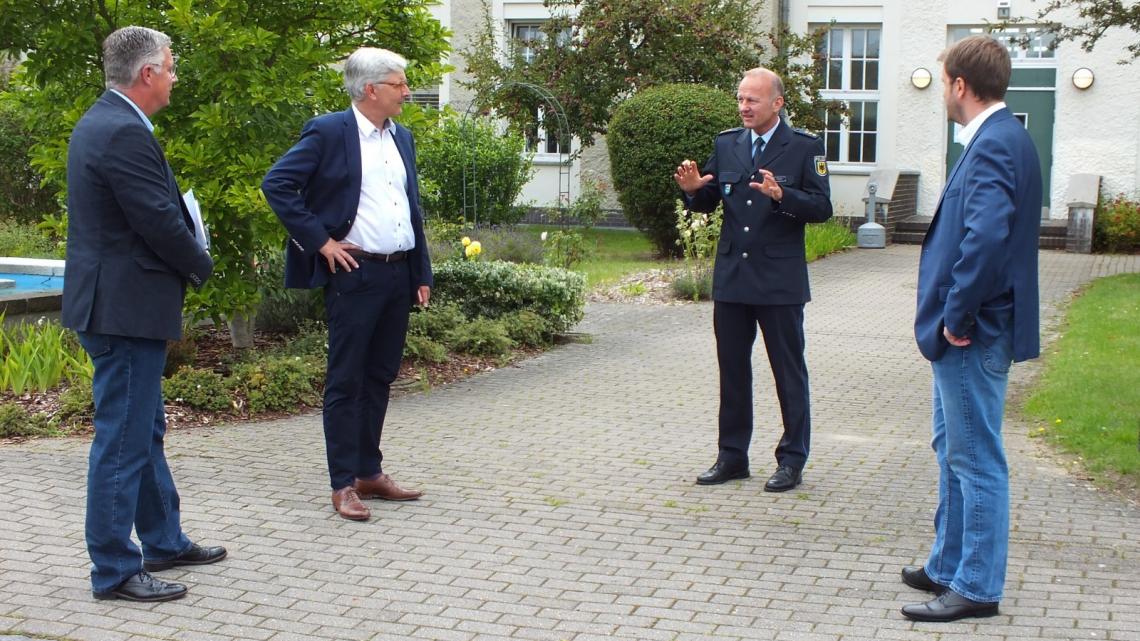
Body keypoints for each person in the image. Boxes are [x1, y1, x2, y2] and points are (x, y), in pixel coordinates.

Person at [63, 26, 226, 602]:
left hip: (119, 305)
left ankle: (163, 538)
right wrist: (201, 263)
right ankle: (113, 568)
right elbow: (156, 219)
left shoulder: (110, 122)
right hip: (124, 310)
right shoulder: (120, 131)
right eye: (172, 66)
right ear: (147, 74)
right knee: (123, 440)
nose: (176, 76)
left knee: (143, 431)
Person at [901, 35, 1042, 622]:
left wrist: (957, 315)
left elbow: (984, 239)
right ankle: (947, 563)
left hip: (973, 330)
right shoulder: (1003, 138)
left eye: (943, 83)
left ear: (960, 85)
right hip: (972, 327)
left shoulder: (992, 144)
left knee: (976, 458)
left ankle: (977, 588)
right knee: (951, 449)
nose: (941, 92)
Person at [262, 47, 432, 522]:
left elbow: (410, 209)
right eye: (399, 84)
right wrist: (321, 241)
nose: (407, 92)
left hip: (398, 273)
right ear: (370, 89)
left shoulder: (403, 137)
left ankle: (368, 472)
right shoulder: (328, 132)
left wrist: (421, 272)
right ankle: (342, 485)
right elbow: (278, 184)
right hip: (355, 274)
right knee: (346, 380)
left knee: (380, 375)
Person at [673, 67, 833, 492]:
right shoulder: (727, 144)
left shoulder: (802, 148)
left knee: (788, 372)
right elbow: (708, 197)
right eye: (741, 98)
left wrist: (784, 196)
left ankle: (792, 459)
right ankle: (732, 456)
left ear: (777, 103)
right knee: (732, 370)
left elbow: (822, 208)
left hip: (779, 280)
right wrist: (691, 190)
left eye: (753, 100)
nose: (744, 106)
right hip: (733, 277)